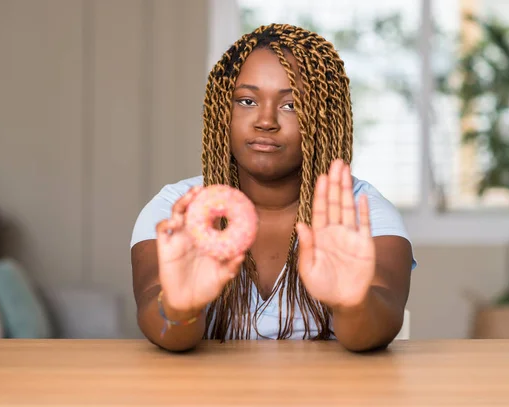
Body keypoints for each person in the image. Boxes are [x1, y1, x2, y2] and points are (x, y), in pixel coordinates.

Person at [130, 23, 417, 353]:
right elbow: (162, 329)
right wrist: (180, 307)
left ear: (324, 117)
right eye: (247, 101)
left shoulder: (364, 214)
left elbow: (380, 327)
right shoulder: (176, 211)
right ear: (222, 111)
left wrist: (352, 304)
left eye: (291, 105)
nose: (265, 120)